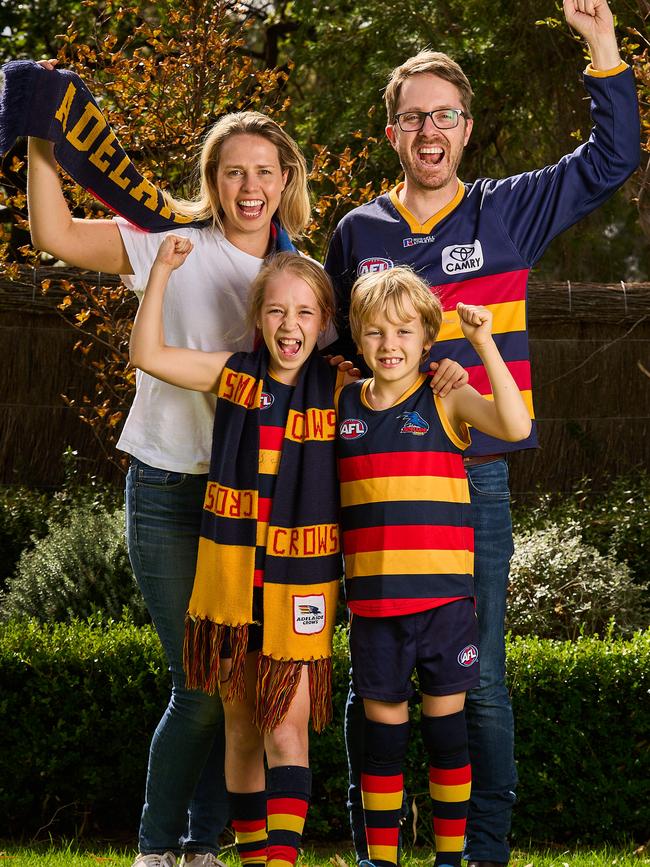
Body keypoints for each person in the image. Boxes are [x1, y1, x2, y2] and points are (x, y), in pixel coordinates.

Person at [324, 1, 640, 864]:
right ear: (392, 132)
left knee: (482, 684)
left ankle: (482, 854)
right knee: (376, 686)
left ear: (466, 128)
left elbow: (613, 159)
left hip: (476, 480)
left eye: (446, 115)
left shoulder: (510, 211)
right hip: (380, 493)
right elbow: (330, 348)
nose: (431, 129)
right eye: (414, 116)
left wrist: (601, 44)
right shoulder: (358, 232)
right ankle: (372, 852)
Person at [26, 82, 316, 866]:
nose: (249, 187)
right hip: (166, 488)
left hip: (257, 505)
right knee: (200, 682)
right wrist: (41, 132)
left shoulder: (303, 281)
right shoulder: (168, 240)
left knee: (238, 688)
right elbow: (52, 232)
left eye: (264, 171)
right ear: (211, 178)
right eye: (232, 172)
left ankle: (203, 845)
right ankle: (160, 848)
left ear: (286, 179)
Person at [130, 242, 352, 867]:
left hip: (300, 582)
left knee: (286, 727)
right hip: (232, 584)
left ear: (324, 320)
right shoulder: (236, 374)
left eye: (306, 313)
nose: (290, 326)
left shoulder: (339, 389)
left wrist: (450, 371)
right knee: (242, 730)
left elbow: (410, 377)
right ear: (258, 318)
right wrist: (163, 273)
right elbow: (146, 355)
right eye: (277, 311)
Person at [337, 266, 531, 867]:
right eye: (373, 333)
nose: (388, 344)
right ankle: (382, 860)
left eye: (402, 331)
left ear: (427, 339)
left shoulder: (446, 397)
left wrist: (482, 344)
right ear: (357, 338)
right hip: (375, 608)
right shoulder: (342, 402)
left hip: (445, 605)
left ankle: (451, 858)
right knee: (383, 744)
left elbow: (517, 425)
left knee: (447, 737)